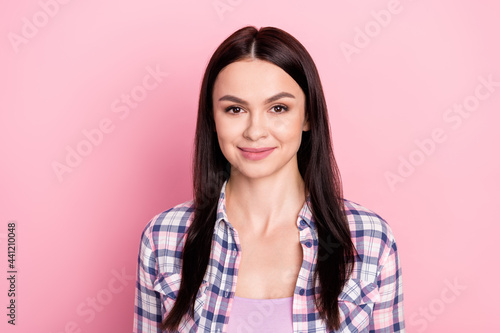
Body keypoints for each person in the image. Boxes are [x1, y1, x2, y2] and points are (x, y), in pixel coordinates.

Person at [133, 25, 405, 333]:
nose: (255, 131)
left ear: (308, 116)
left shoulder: (368, 239)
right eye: (235, 109)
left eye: (278, 108)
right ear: (212, 118)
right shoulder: (164, 238)